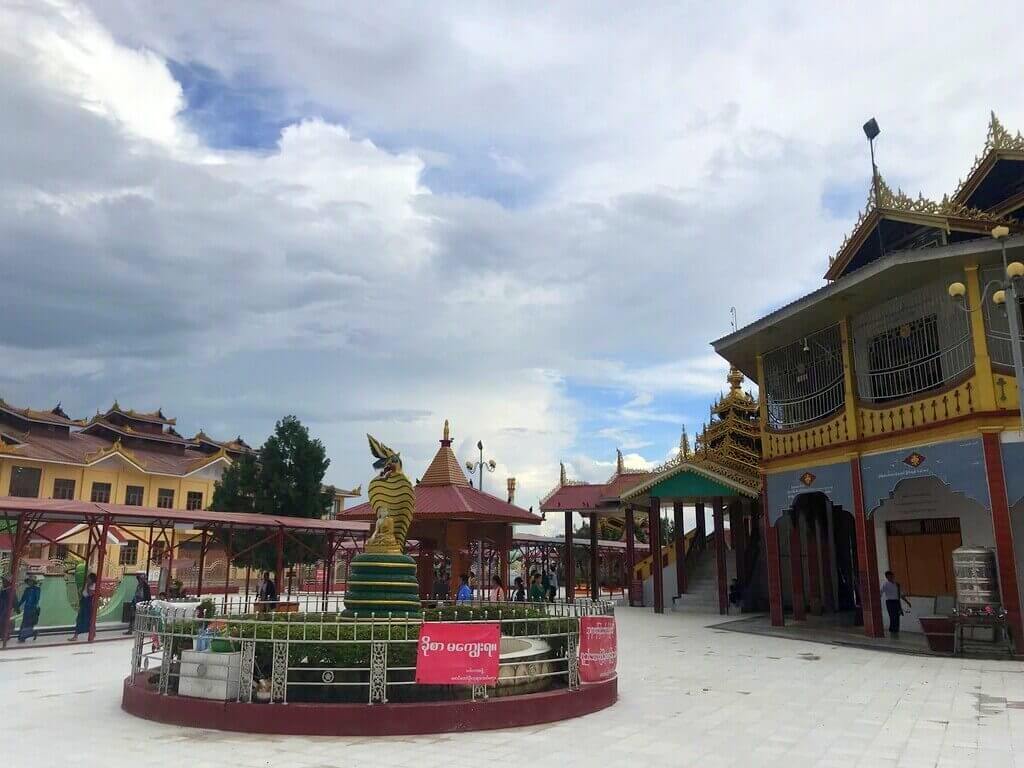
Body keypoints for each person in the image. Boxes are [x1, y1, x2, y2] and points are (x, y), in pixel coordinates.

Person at [881, 571, 912, 636]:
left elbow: (900, 595)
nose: (890, 577)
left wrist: (907, 602)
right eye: (889, 576)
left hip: (896, 602)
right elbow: (880, 593)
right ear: (886, 577)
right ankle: (892, 630)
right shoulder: (885, 584)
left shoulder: (897, 584)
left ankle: (896, 630)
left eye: (891, 576)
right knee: (892, 616)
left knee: (897, 616)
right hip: (889, 602)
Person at [70, 572, 98, 642]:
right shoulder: (87, 584)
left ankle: (78, 635)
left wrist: (88, 586)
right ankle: (79, 634)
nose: (87, 579)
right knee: (81, 618)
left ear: (91, 579)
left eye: (88, 578)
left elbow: (90, 594)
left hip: (88, 603)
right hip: (84, 601)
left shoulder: (93, 585)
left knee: (84, 618)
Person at [17, 575, 41, 643]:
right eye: (29, 581)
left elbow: (37, 599)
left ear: (33, 582)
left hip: (32, 609)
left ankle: (24, 636)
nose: (29, 582)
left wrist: (36, 607)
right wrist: (18, 605)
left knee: (28, 624)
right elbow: (23, 599)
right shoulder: (27, 590)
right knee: (24, 623)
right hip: (27, 608)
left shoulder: (37, 589)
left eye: (31, 581)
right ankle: (25, 636)